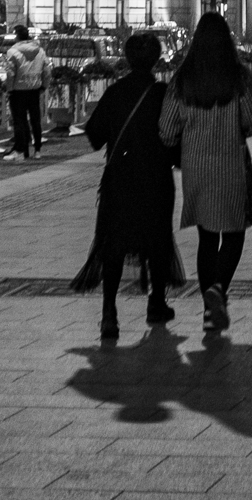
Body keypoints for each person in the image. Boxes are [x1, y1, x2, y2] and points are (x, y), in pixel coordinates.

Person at [157, 12, 252, 337]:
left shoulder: (183, 78)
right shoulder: (239, 77)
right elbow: (250, 122)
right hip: (231, 165)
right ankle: (218, 290)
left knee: (206, 237)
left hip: (196, 169)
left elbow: (166, 129)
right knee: (234, 233)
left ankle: (208, 308)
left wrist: (184, 139)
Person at [80, 30, 178, 338]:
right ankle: (157, 301)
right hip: (156, 178)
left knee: (113, 243)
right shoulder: (162, 93)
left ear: (126, 57)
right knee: (158, 239)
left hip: (119, 177)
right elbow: (174, 139)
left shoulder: (115, 92)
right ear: (157, 59)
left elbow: (94, 136)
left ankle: (109, 312)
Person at [1, 24, 50, 160]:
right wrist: (43, 86)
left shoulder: (12, 52)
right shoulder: (39, 51)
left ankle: (21, 150)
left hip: (18, 91)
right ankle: (38, 150)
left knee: (19, 120)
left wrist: (9, 89)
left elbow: (10, 73)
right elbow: (47, 71)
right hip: (34, 90)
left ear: (16, 36)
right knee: (35, 120)